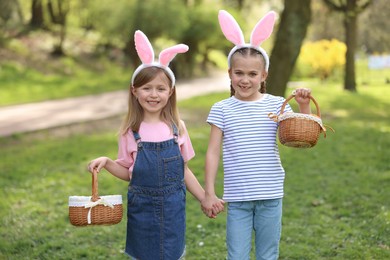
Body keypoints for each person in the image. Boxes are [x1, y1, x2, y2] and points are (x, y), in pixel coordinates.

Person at [88, 30, 223, 260]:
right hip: (143, 212)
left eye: (160, 89)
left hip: (173, 211)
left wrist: (204, 198)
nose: (153, 94)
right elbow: (129, 172)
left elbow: (184, 169)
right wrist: (108, 163)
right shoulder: (130, 131)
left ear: (170, 93)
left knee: (173, 254)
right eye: (146, 88)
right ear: (134, 91)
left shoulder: (176, 127)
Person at [201, 10, 312, 260]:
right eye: (239, 73)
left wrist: (304, 106)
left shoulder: (276, 104)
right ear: (229, 73)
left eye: (252, 74)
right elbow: (212, 151)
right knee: (237, 255)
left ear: (264, 76)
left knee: (267, 255)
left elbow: (301, 135)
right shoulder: (222, 109)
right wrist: (209, 191)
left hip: (270, 195)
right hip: (238, 198)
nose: (245, 79)